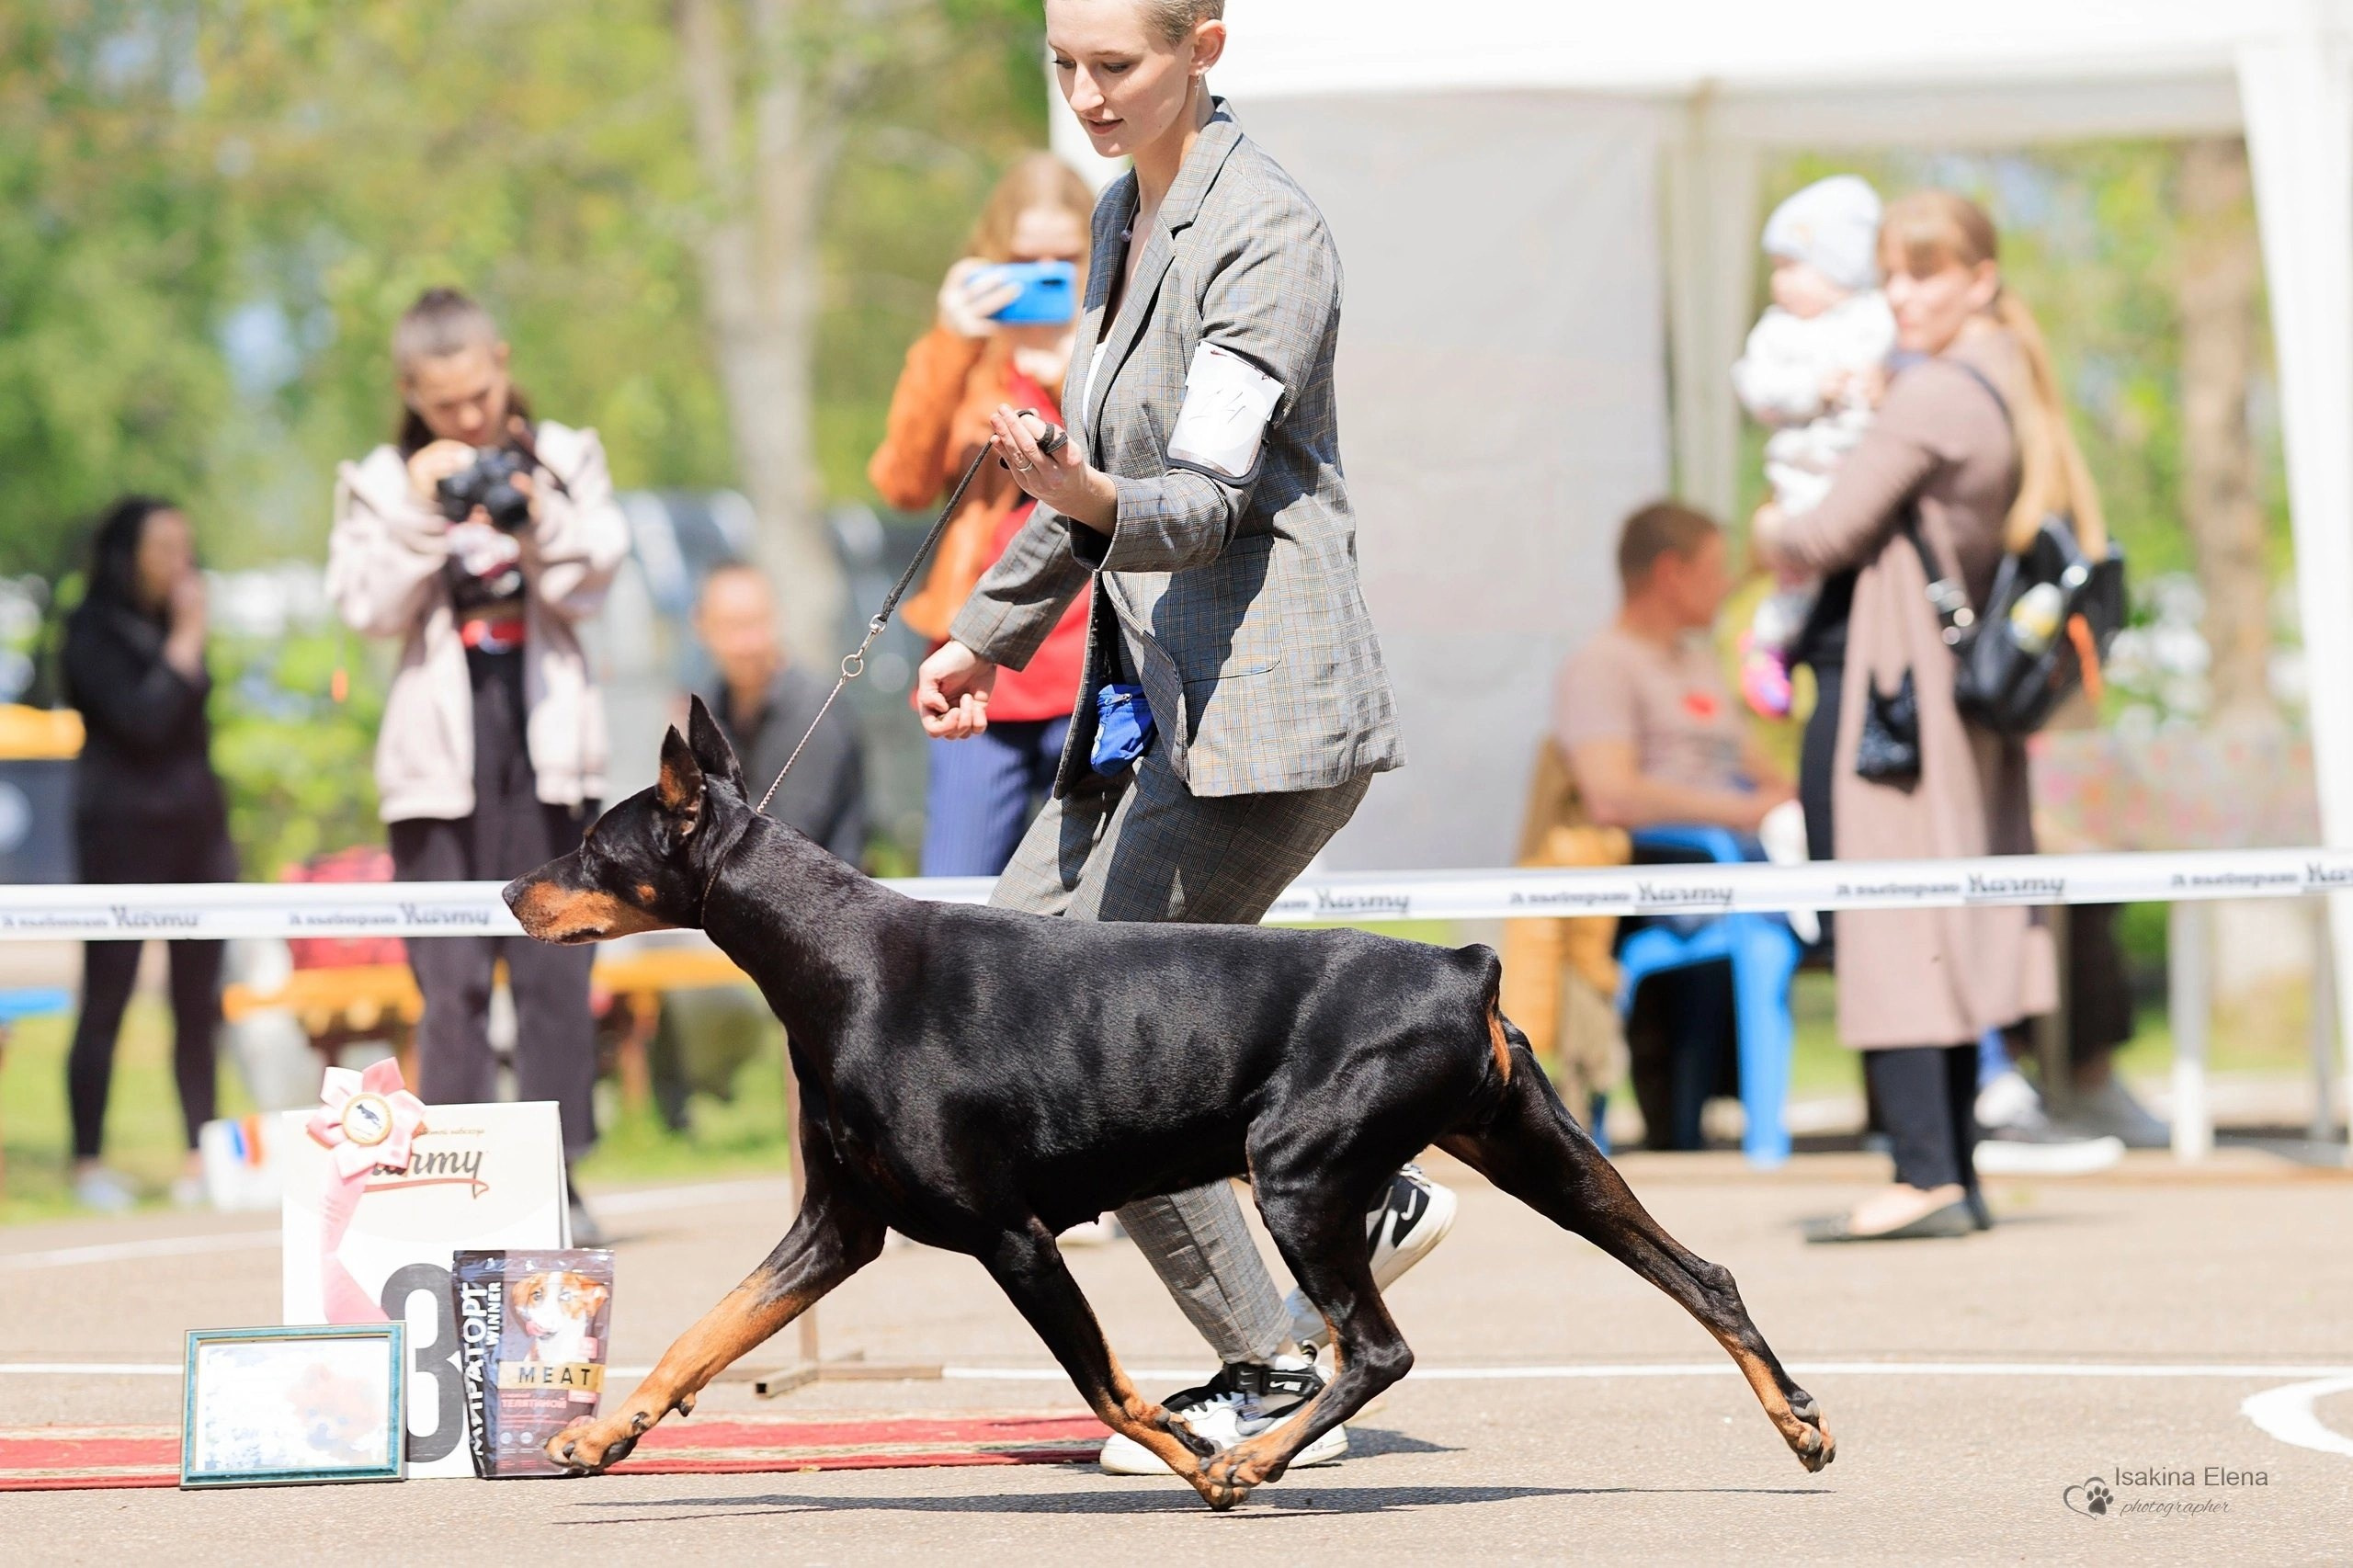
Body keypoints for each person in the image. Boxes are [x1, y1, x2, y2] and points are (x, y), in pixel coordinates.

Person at [913, 0, 1452, 1474]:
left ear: (1205, 46)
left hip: (1267, 721)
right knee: (1006, 980)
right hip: (1144, 707)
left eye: (1117, 66)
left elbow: (1194, 503)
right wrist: (982, 630)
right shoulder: (1114, 215)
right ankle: (1361, 1204)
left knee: (1088, 1049)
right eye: (1063, 66)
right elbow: (1098, 478)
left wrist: (1063, 488)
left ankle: (1275, 1363)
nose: (1084, 95)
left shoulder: (1268, 232)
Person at [1756, 189, 2099, 1242]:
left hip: (1890, 701)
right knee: (1929, 913)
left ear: (1980, 279)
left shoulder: (1935, 393)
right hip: (1934, 699)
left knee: (1891, 912)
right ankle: (1948, 1167)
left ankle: (1923, 1167)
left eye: (1924, 273)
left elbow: (1819, 533)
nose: (1898, 294)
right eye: (1890, 272)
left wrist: (1773, 520)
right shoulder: (1999, 380)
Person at [326, 287, 630, 1244]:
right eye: (444, 404)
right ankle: (451, 1173)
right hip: (437, 751)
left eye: (479, 393)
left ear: (502, 361)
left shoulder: (566, 454)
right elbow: (366, 605)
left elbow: (593, 579)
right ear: (412, 392)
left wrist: (533, 514)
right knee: (447, 973)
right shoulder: (380, 477)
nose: (467, 417)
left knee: (552, 969)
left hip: (545, 741)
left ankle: (555, 1175)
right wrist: (423, 507)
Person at [870, 153, 1095, 877]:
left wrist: (1069, 365)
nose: (1046, 277)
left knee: (1093, 902)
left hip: (1092, 660)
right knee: (956, 890)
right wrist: (950, 341)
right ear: (991, 260)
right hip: (980, 659)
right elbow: (903, 483)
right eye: (1025, 262)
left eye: (1066, 260)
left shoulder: (1114, 350)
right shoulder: (966, 358)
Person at [1555, 502, 1796, 1151]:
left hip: (1742, 867)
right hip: (1660, 876)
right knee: (1747, 943)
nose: (1726, 587)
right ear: (1671, 573)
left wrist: (1777, 805)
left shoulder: (1700, 665)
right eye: (1715, 569)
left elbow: (1767, 774)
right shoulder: (1601, 665)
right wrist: (1741, 814)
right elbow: (1611, 795)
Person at [59, 496, 239, 1211]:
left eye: (185, 546)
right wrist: (189, 637)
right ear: (127, 551)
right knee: (107, 996)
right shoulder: (90, 627)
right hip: (120, 834)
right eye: (163, 547)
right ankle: (87, 1160)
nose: (179, 562)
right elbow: (143, 719)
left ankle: (203, 1155)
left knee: (199, 1003)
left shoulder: (172, 625)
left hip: (197, 834)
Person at [1732, 175, 1897, 721]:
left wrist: (1886, 383)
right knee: (1798, 576)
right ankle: (1768, 645)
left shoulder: (1878, 320)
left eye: (1792, 267)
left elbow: (1906, 372)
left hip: (1862, 480)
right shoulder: (1779, 333)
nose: (1781, 284)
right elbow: (1754, 387)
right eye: (1777, 268)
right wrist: (1810, 389)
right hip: (1803, 480)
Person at [692, 562, 867, 864]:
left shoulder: (815, 711)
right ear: (701, 626)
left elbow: (790, 836)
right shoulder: (712, 705)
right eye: (731, 626)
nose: (746, 644)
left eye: (755, 623)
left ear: (777, 619)